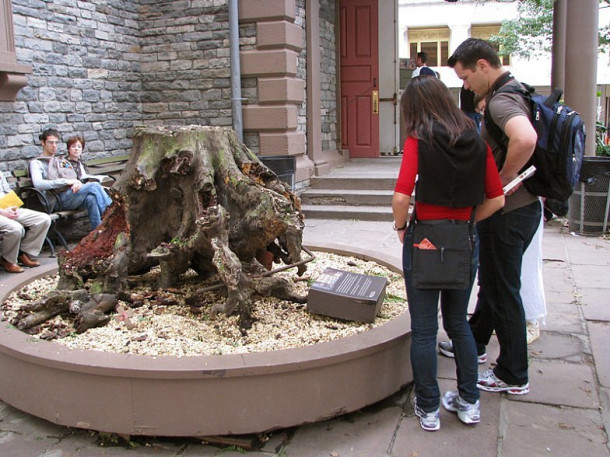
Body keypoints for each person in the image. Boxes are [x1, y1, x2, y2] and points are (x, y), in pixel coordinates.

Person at [392, 76, 504, 431]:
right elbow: (497, 199)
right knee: (458, 324)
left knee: (424, 330)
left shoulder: (417, 140)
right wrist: (468, 222)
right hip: (463, 240)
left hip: (424, 239)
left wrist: (401, 229)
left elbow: (400, 197)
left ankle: (428, 409)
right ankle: (469, 402)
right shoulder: (476, 140)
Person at [441, 38, 541, 395]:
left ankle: (513, 374)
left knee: (502, 290)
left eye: (466, 78)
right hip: (521, 210)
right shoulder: (515, 91)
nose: (466, 86)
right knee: (494, 281)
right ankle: (476, 341)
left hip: (509, 213)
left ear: (483, 65)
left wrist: (500, 184)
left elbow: (525, 139)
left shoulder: (501, 100)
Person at [29, 129, 112, 230]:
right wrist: (65, 181)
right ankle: (113, 217)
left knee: (91, 199)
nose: (54, 145)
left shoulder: (61, 161)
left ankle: (99, 233)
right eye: (50, 142)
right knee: (94, 186)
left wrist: (78, 183)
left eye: (56, 142)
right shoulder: (37, 163)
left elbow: (73, 177)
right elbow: (38, 184)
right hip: (56, 200)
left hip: (70, 194)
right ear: (43, 143)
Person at [0, 172, 52, 273]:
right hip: (2, 211)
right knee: (16, 229)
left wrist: (14, 206)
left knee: (43, 219)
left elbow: (7, 192)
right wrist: (2, 211)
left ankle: (23, 253)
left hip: (7, 207)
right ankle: (8, 260)